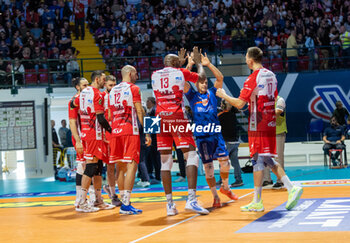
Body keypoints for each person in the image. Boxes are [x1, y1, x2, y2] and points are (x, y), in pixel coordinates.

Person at [216, 47, 303, 212]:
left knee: (258, 158)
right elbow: (270, 97)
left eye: (246, 58)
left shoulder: (252, 78)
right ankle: (260, 199)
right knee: (263, 158)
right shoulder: (271, 75)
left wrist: (224, 95)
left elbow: (240, 105)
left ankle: (290, 188)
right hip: (269, 122)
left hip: (258, 123)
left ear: (250, 60)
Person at [151, 47, 209, 216]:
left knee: (165, 161)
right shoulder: (181, 72)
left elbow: (175, 75)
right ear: (176, 64)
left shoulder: (154, 74)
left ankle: (170, 205)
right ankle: (191, 199)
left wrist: (181, 64)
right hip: (176, 115)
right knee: (191, 154)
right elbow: (202, 79)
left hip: (158, 117)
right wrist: (197, 63)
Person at [184, 52, 238, 208]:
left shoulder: (213, 93)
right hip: (202, 137)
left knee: (225, 163)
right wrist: (189, 66)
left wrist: (208, 64)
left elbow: (220, 78)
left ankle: (225, 187)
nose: (204, 84)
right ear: (196, 84)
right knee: (208, 168)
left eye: (205, 82)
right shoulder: (192, 95)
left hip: (216, 134)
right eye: (201, 82)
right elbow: (182, 82)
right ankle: (215, 196)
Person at [109, 65, 151, 215]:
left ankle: (123, 202)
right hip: (129, 130)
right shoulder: (134, 88)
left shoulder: (112, 90)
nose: (137, 77)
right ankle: (126, 203)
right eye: (136, 74)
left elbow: (109, 115)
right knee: (132, 165)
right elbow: (139, 110)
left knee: (120, 168)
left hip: (115, 131)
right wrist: (146, 132)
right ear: (131, 73)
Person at [73, 70, 115, 212]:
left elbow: (73, 104)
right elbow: (101, 118)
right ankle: (82, 202)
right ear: (97, 79)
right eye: (103, 79)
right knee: (90, 168)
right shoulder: (97, 94)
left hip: (88, 134)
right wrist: (111, 131)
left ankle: (98, 200)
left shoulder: (83, 93)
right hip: (93, 135)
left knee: (98, 169)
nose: (104, 82)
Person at [68, 77, 92, 210]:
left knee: (90, 166)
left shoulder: (86, 98)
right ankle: (79, 199)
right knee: (82, 166)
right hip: (80, 137)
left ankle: (91, 197)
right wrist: (78, 140)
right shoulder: (74, 100)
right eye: (84, 85)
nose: (87, 87)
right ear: (77, 87)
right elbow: (72, 121)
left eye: (88, 84)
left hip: (88, 136)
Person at [100, 75, 122, 206]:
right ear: (105, 85)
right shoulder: (102, 97)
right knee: (110, 165)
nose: (112, 88)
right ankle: (113, 194)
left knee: (120, 164)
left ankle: (112, 188)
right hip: (107, 134)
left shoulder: (118, 95)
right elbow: (100, 118)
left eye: (114, 85)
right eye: (110, 85)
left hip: (119, 132)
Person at [263, 96, 287, 189]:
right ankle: (267, 179)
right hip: (266, 132)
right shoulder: (264, 101)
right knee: (265, 156)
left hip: (278, 132)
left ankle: (280, 180)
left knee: (278, 157)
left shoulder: (280, 100)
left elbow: (277, 113)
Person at [218, 100, 243, 187]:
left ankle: (222, 180)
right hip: (235, 141)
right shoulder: (233, 115)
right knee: (235, 162)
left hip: (227, 141)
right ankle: (239, 179)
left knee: (222, 161)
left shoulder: (220, 115)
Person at [145, 97, 161, 183]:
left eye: (148, 101)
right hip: (153, 137)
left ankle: (158, 176)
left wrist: (148, 135)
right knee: (152, 157)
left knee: (156, 157)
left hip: (155, 138)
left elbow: (154, 127)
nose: (147, 103)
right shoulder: (150, 111)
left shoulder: (154, 111)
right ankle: (154, 175)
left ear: (152, 102)